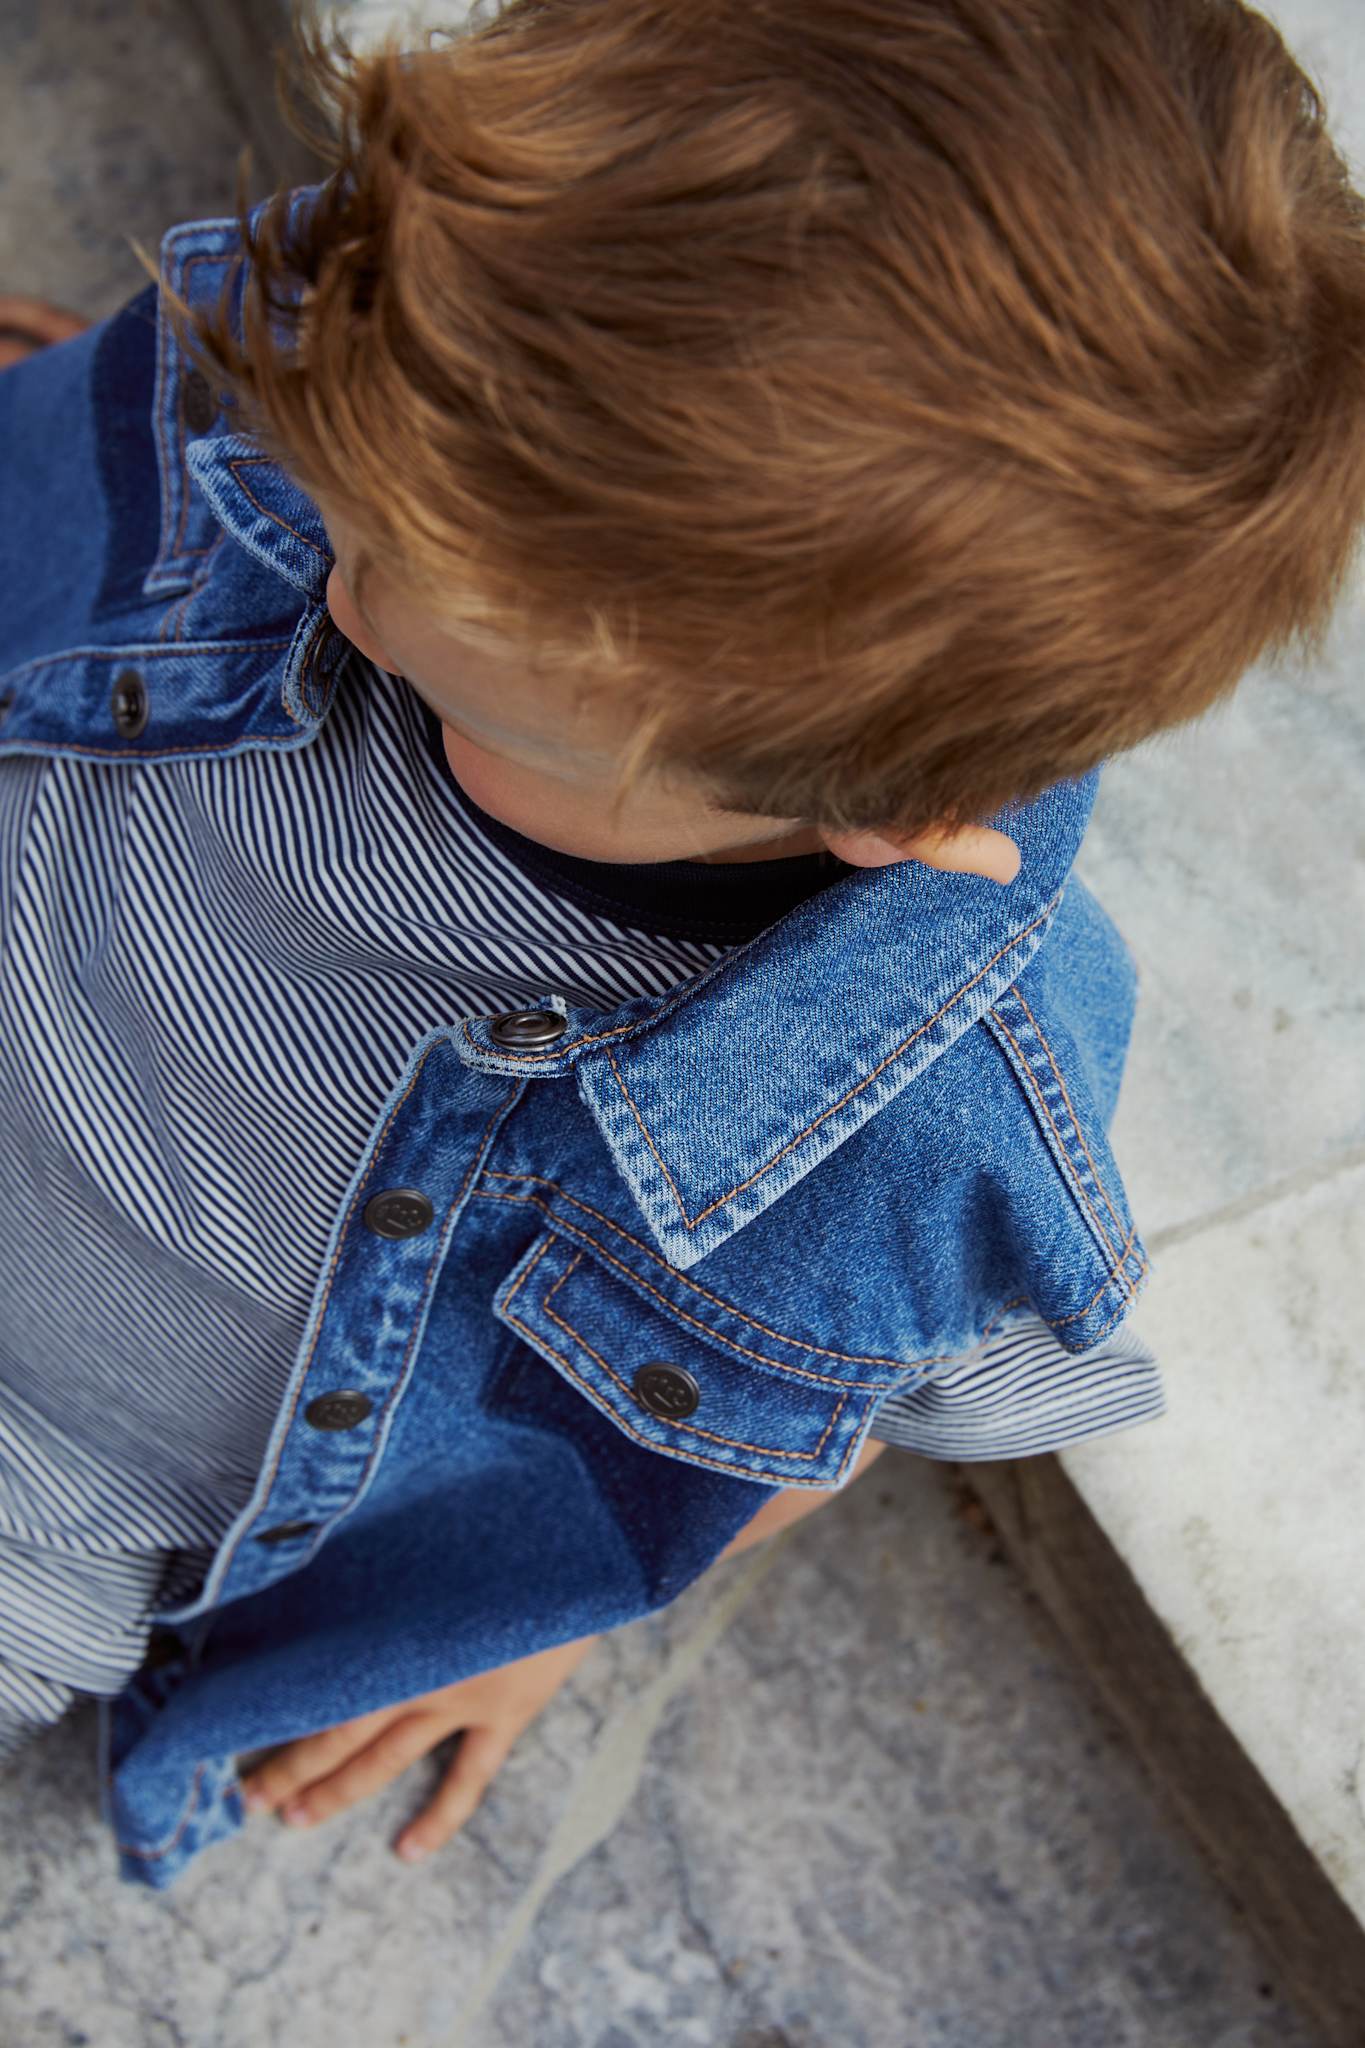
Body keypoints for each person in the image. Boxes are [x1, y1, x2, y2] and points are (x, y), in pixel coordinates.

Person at [2, 0, 1363, 1891]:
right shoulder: (448, 359)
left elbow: (830, 1407)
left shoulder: (910, 1122)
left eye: (407, 583)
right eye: (359, 465)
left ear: (855, 811)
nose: (333, 578)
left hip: (54, 1460)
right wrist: (221, 449)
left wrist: (540, 1592)